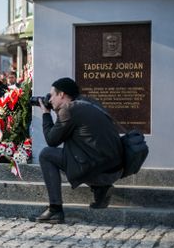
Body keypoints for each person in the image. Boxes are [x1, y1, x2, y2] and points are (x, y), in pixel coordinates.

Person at [33, 77, 123, 224]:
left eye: (52, 95)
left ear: (61, 94)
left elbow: (52, 140)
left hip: (98, 169)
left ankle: (55, 209)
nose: (50, 100)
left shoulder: (69, 109)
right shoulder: (88, 103)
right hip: (114, 168)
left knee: (46, 155)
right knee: (74, 153)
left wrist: (45, 113)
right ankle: (100, 189)